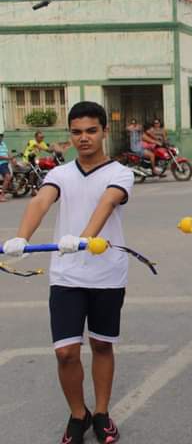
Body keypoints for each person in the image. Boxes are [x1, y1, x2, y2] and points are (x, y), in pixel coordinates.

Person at [2, 101, 134, 444]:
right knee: (65, 352)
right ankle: (79, 414)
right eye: (76, 132)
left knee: (102, 345)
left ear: (104, 132)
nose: (83, 138)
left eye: (91, 131)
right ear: (70, 134)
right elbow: (41, 201)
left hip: (107, 273)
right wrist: (21, 238)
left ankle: (101, 413)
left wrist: (84, 238)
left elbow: (107, 203)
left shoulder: (120, 172)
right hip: (66, 275)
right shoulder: (60, 174)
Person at [0, 132, 11, 202]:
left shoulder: (3, 144)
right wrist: (8, 158)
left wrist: (12, 159)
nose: (1, 137)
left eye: (1, 136)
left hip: (6, 163)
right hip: (1, 164)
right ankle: (1, 196)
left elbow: (8, 152)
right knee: (7, 177)